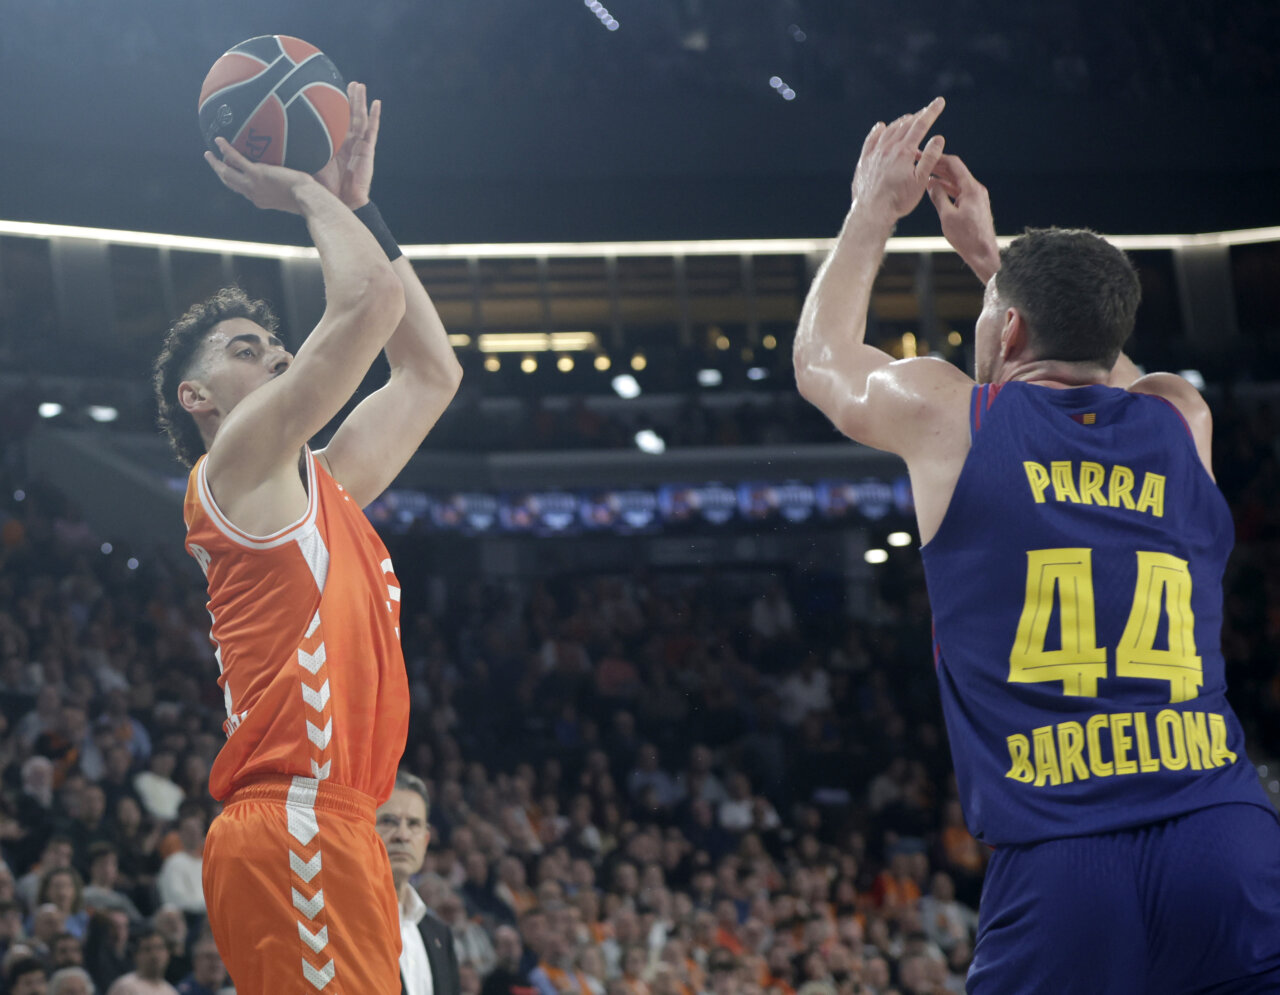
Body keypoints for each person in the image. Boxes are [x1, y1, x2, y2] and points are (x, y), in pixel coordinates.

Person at [792, 97, 1280, 993]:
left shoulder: (955, 418)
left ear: (1008, 329)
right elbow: (1105, 358)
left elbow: (821, 357)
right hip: (1224, 831)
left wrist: (872, 210)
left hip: (1063, 853)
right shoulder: (1183, 418)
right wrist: (998, 261)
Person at [151, 79, 461, 994]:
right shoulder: (232, 466)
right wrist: (308, 193)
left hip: (341, 824)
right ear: (196, 398)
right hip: (293, 817)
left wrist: (365, 209)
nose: (278, 355)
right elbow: (364, 308)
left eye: (276, 346)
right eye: (245, 350)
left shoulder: (316, 484)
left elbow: (432, 372)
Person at [374, 771, 462, 995]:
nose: (402, 835)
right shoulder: (344, 925)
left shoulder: (441, 935)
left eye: (413, 824)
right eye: (388, 821)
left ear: (425, 840)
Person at [104, 929, 178, 995]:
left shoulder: (171, 991)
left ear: (168, 954)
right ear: (136, 956)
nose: (154, 955)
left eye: (159, 948)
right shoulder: (126, 987)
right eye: (147, 949)